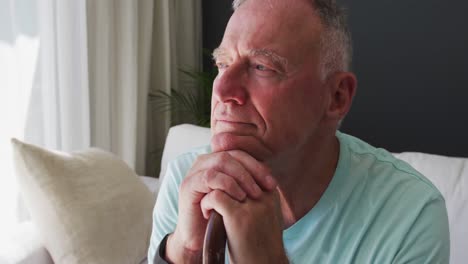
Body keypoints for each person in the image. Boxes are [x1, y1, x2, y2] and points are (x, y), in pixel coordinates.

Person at [148, 0, 450, 263]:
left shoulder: (409, 214)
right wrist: (184, 252)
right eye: (223, 64)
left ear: (336, 97)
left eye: (262, 67)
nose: (222, 89)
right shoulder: (186, 180)